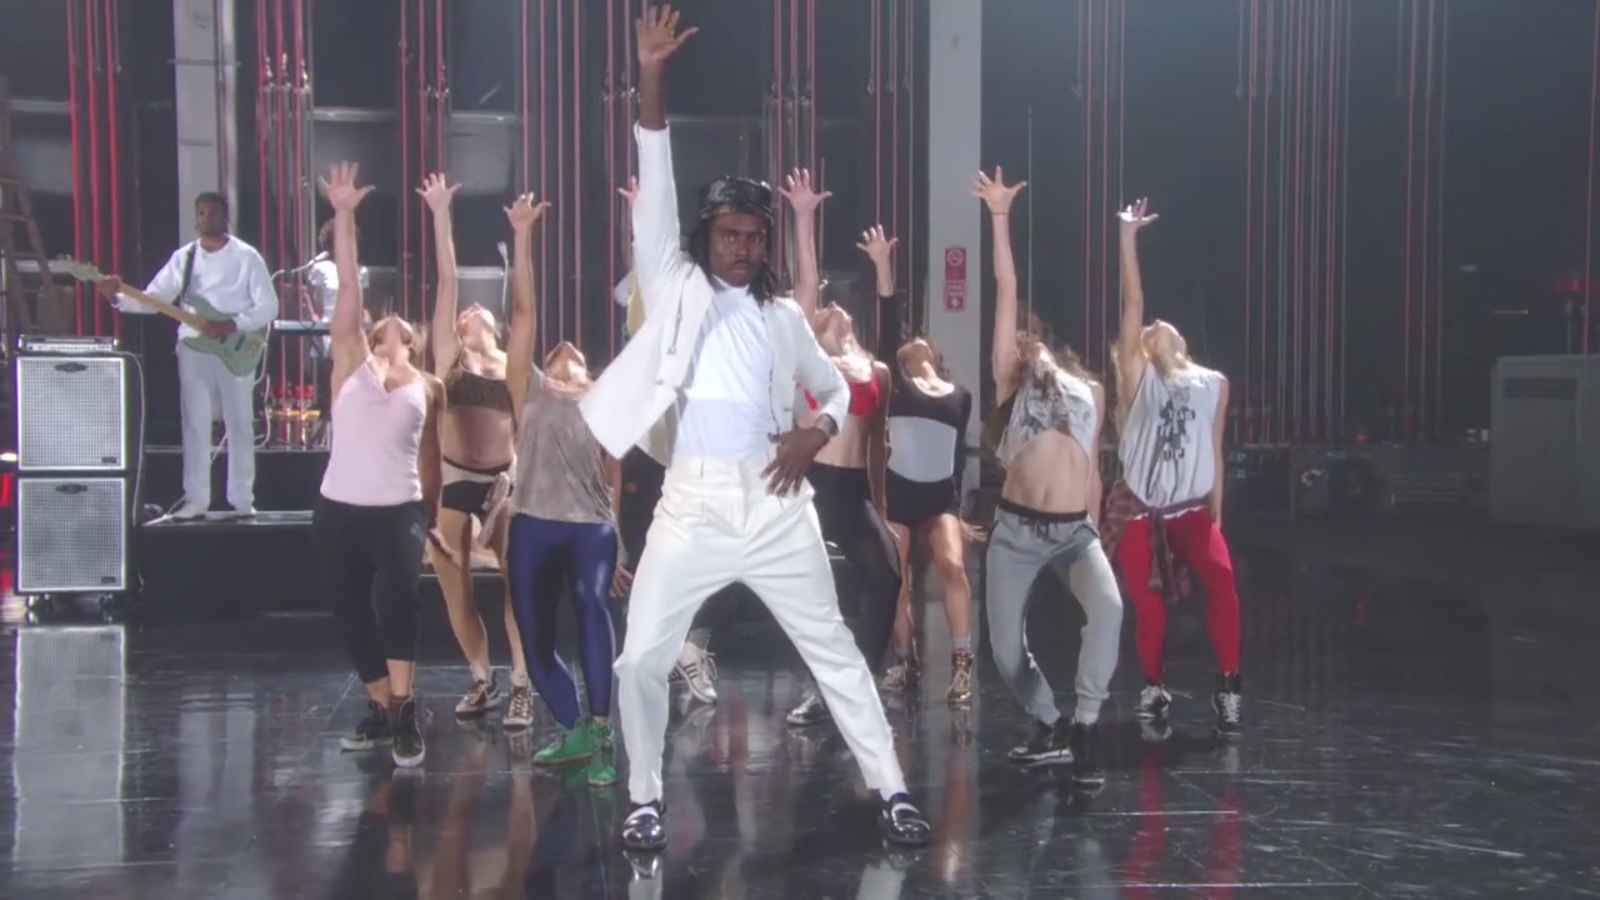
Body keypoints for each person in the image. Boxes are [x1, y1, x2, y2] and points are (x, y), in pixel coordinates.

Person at [579, 6, 930, 852]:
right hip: (692, 506)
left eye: (753, 236)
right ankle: (645, 798)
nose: (742, 246)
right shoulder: (673, 285)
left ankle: (893, 789)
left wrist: (815, 434)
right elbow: (655, 174)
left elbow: (837, 390)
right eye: (730, 233)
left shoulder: (782, 318)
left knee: (835, 650)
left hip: (775, 506)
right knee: (639, 659)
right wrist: (651, 78)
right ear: (705, 237)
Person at [977, 168, 1121, 785]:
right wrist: (999, 216)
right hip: (1016, 532)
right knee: (1006, 652)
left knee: (1109, 610)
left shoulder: (1090, 390)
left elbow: (1092, 468)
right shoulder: (1011, 380)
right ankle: (1049, 721)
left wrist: (1096, 526)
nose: (1026, 343)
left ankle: (1085, 725)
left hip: (1075, 532)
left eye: (1032, 339)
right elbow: (1006, 287)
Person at [313, 161, 447, 768]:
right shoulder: (350, 366)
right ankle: (380, 707)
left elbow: (431, 457)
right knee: (349, 612)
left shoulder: (427, 383)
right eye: (378, 325)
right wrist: (343, 215)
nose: (386, 325)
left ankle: (404, 707)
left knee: (398, 602)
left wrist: (432, 517)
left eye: (398, 326)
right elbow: (348, 287)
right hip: (339, 509)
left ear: (411, 338)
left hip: (399, 510)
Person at [499, 191, 628, 787]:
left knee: (590, 604)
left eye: (573, 351)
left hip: (590, 528)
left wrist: (620, 543)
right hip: (530, 522)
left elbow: (614, 475)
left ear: (587, 367)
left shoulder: (604, 396)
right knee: (534, 640)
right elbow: (523, 314)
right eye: (555, 350)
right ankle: (575, 728)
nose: (563, 348)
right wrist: (523, 236)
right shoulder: (527, 387)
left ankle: (601, 735)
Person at [1108, 198, 1243, 736]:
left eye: (1161, 327)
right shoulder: (1139, 377)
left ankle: (1229, 687)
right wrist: (1127, 239)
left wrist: (1218, 515)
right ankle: (1154, 684)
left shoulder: (1213, 384)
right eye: (1147, 331)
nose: (1154, 326)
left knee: (1222, 580)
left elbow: (1215, 448)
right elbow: (1134, 300)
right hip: (1144, 510)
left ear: (1181, 342)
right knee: (1148, 604)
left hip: (1192, 509)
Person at [778, 169, 902, 728]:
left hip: (852, 491)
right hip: (813, 484)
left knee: (888, 577)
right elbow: (805, 288)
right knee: (815, 598)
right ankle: (821, 687)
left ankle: (856, 686)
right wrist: (803, 217)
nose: (830, 306)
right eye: (820, 309)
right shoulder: (810, 361)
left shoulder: (876, 370)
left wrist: (882, 509)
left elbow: (876, 446)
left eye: (835, 306)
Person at [417, 173, 532, 729]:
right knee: (453, 582)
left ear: (496, 327)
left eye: (482, 311)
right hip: (455, 477)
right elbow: (446, 282)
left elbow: (526, 312)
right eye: (467, 312)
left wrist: (523, 236)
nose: (474, 309)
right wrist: (441, 213)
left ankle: (521, 682)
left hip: (503, 480)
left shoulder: (511, 364)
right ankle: (481, 676)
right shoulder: (450, 358)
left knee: (518, 580)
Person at [99, 192, 277, 519]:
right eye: (201, 213)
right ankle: (196, 499)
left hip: (236, 345)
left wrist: (232, 324)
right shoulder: (184, 258)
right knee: (195, 423)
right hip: (193, 347)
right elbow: (154, 299)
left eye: (212, 213)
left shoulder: (247, 257)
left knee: (239, 422)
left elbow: (268, 306)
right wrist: (117, 298)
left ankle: (242, 499)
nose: (205, 218)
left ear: (225, 217)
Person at [866, 237, 977, 704]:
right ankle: (906, 661)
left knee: (952, 565)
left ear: (932, 353)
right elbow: (888, 323)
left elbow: (956, 457)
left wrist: (959, 508)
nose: (913, 342)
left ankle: (962, 664)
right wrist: (883, 265)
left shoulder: (959, 397)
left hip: (938, 499)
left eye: (920, 341)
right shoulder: (896, 384)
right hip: (897, 495)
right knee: (898, 580)